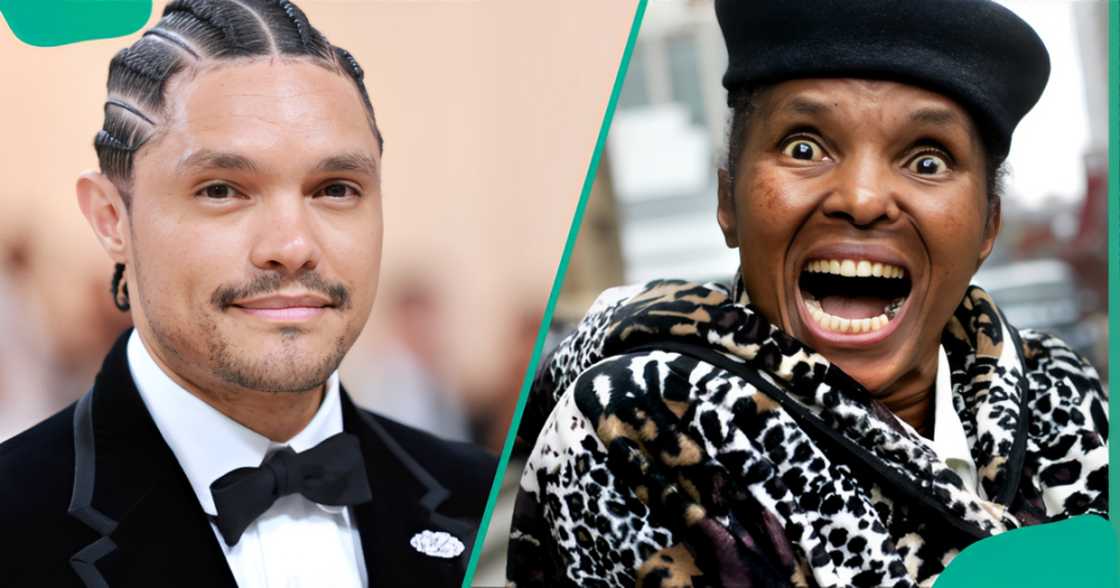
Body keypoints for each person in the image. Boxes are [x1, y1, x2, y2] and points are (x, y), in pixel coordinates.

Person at [507, 2, 1108, 586]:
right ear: (728, 201)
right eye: (804, 147)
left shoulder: (1062, 388)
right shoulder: (636, 427)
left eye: (927, 161)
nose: (864, 198)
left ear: (987, 228)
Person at [0, 1, 495, 586]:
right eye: (221, 190)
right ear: (112, 219)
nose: (291, 245)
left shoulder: (492, 503)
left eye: (335, 188)